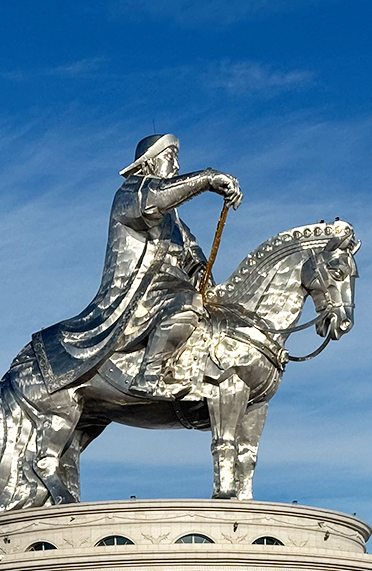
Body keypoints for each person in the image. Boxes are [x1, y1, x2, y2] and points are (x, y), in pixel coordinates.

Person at [31, 134, 241, 397]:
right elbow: (157, 198)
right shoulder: (131, 194)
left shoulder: (173, 219)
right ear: (149, 163)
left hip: (168, 294)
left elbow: (190, 251)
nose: (176, 166)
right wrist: (207, 178)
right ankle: (150, 375)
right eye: (170, 157)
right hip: (139, 298)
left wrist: (204, 278)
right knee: (188, 304)